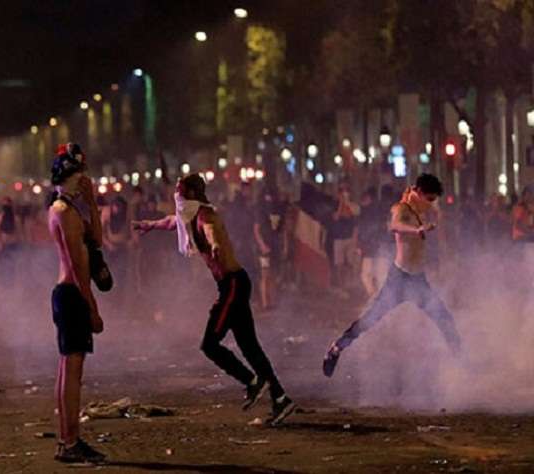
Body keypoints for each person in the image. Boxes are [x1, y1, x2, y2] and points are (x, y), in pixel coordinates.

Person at [133, 174, 296, 426]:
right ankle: (281, 398)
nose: (176, 197)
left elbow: (211, 232)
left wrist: (216, 244)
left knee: (210, 344)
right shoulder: (189, 217)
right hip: (231, 284)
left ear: (191, 194)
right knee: (249, 346)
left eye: (180, 192)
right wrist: (150, 225)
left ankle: (252, 381)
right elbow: (171, 222)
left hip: (233, 284)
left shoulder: (205, 215)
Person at [323, 174, 462, 377]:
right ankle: (336, 349)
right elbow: (395, 226)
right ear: (420, 193)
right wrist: (417, 230)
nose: (431, 204)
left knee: (444, 318)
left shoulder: (419, 208)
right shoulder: (401, 209)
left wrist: (435, 216)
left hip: (418, 281)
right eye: (430, 199)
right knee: (370, 319)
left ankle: (462, 363)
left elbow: (434, 217)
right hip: (399, 280)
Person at [48, 143, 106, 464]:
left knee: (68, 370)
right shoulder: (63, 212)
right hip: (72, 294)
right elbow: (76, 266)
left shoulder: (69, 209)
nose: (85, 179)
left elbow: (96, 240)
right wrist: (92, 308)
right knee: (71, 373)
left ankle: (68, 440)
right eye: (81, 173)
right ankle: (69, 442)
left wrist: (92, 204)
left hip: (71, 294)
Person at [355, 188, 391, 298]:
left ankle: (375, 296)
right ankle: (379, 297)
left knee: (367, 275)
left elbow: (364, 231)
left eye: (363, 200)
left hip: (371, 249)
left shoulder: (366, 214)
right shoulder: (382, 211)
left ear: (368, 199)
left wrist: (360, 246)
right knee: (380, 275)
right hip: (380, 248)